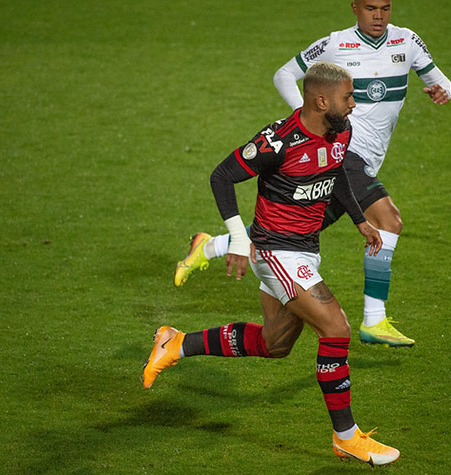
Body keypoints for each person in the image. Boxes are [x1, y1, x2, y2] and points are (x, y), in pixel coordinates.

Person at [144, 62, 400, 466]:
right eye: (348, 97)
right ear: (321, 100)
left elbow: (337, 177)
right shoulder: (276, 142)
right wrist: (240, 239)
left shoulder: (341, 132)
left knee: (275, 343)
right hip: (275, 251)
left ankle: (177, 342)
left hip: (306, 248)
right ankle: (346, 437)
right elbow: (221, 177)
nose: (354, 104)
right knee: (336, 328)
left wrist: (360, 220)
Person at [173, 0, 451, 347]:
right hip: (345, 152)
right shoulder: (335, 43)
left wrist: (443, 90)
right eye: (370, 8)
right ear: (355, 8)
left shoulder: (407, 41)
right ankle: (374, 319)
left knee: (298, 223)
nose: (378, 15)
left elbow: (440, 81)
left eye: (385, 7)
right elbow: (284, 75)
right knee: (389, 220)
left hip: (343, 157)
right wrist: (305, 123)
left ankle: (211, 245)